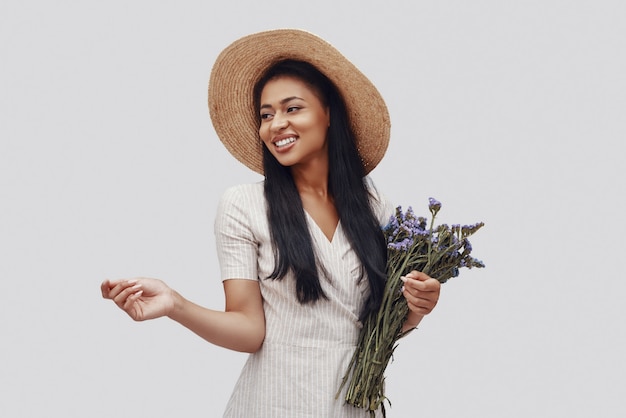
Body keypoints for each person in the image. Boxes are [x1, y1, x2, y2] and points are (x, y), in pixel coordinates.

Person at [101, 29, 441, 417]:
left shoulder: (376, 208)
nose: (275, 124)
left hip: (355, 407)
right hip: (274, 402)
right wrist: (175, 304)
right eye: (266, 115)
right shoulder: (244, 205)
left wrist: (418, 307)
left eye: (292, 108)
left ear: (329, 113)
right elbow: (250, 330)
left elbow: (378, 326)